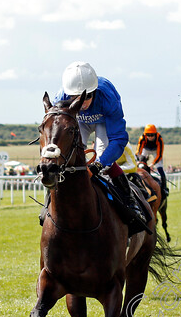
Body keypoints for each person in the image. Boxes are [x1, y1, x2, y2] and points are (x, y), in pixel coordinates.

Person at [51, 61, 151, 235]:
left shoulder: (107, 97)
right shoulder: (60, 99)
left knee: (103, 157)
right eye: (76, 98)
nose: (82, 103)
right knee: (69, 156)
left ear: (95, 91)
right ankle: (49, 205)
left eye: (87, 96)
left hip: (103, 122)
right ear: (68, 94)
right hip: (78, 122)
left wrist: (98, 165)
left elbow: (118, 139)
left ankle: (129, 203)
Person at [135, 124, 168, 195]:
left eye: (152, 135)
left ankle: (164, 188)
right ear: (145, 134)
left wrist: (152, 164)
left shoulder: (159, 139)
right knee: (140, 164)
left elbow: (159, 155)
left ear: (155, 134)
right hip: (145, 149)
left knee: (160, 169)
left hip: (156, 151)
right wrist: (138, 160)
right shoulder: (142, 138)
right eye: (148, 135)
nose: (150, 137)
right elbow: (138, 151)